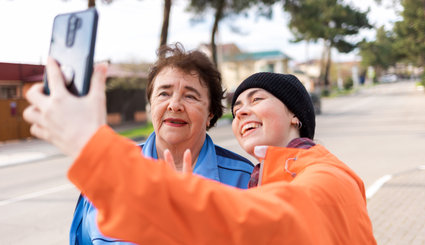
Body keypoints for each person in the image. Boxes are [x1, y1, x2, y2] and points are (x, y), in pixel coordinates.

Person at [24, 63, 377, 244]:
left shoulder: (327, 175)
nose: (242, 111)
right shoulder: (266, 178)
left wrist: (92, 147)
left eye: (257, 100)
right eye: (237, 106)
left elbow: (264, 225)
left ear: (295, 114)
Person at [67, 44, 254, 244]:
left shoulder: (245, 180)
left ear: (210, 113)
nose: (174, 105)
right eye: (164, 94)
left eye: (190, 96)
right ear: (150, 105)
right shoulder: (107, 173)